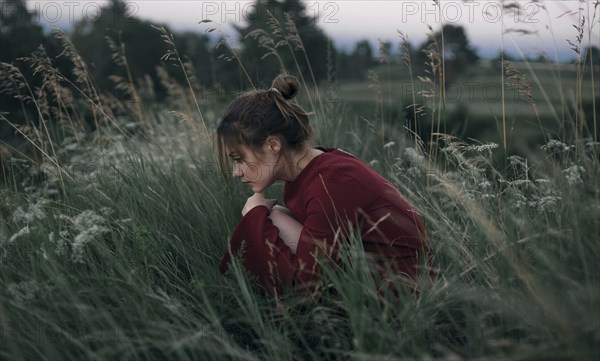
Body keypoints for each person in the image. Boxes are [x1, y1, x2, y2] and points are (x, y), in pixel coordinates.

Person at [217, 74, 429, 296]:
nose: (235, 172)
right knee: (273, 213)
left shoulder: (332, 180)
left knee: (266, 215)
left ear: (272, 145)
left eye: (239, 159)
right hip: (373, 277)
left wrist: (256, 215)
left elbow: (307, 283)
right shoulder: (309, 170)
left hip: (401, 294)